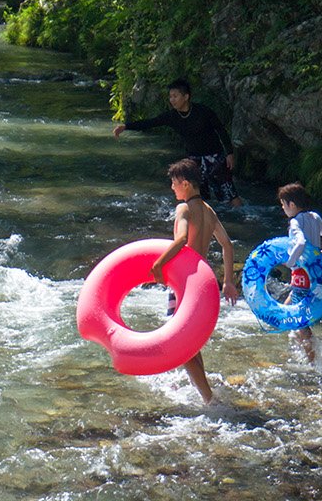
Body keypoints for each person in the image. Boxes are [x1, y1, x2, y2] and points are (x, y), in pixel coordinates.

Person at [151, 158, 240, 404]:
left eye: (174, 183)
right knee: (190, 342)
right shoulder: (209, 211)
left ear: (186, 184)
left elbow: (180, 240)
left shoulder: (184, 209)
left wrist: (158, 264)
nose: (172, 187)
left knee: (182, 345)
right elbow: (227, 245)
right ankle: (207, 393)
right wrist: (228, 281)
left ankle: (209, 400)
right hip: (204, 281)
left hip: (184, 283)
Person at [113, 78, 242, 207]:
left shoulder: (203, 112)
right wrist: (126, 126)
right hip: (193, 161)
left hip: (215, 158)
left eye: (175, 96)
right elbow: (150, 122)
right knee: (198, 198)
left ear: (186, 97)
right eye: (170, 97)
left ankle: (244, 217)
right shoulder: (172, 116)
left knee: (229, 194)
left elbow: (221, 130)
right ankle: (204, 222)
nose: (171, 100)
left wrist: (229, 153)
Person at [277, 183, 322, 362]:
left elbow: (301, 243)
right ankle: (298, 345)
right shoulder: (315, 216)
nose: (282, 208)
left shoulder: (295, 221)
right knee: (289, 307)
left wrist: (291, 262)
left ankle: (313, 361)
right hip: (316, 274)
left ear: (292, 205)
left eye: (283, 204)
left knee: (301, 321)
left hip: (302, 275)